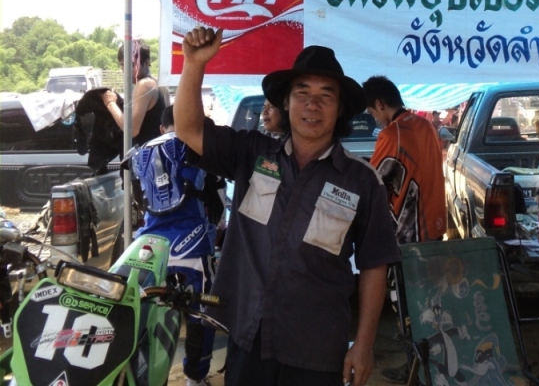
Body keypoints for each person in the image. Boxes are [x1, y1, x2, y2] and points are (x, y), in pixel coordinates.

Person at [174, 28, 399, 386]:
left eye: (326, 95)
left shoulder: (362, 181)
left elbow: (374, 264)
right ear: (286, 103)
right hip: (248, 337)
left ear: (340, 108)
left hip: (317, 349)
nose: (312, 105)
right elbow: (188, 128)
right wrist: (193, 64)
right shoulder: (252, 153)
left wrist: (364, 345)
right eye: (302, 93)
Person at [362, 76, 448, 384]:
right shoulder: (425, 126)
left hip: (408, 235)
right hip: (433, 227)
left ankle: (415, 367)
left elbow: (375, 181)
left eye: (372, 112)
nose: (374, 118)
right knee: (431, 302)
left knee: (406, 305)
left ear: (380, 104)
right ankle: (435, 364)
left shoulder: (393, 133)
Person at [130, 106, 218, 386]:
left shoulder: (140, 153)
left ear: (162, 127)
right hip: (193, 242)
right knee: (201, 313)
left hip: (149, 245)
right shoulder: (200, 146)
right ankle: (195, 377)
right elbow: (216, 200)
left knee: (146, 312)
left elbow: (137, 199)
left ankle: (149, 377)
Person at [102, 40, 168, 145]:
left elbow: (131, 130)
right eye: (122, 65)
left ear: (146, 62)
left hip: (147, 152)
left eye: (132, 64)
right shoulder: (159, 83)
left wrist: (110, 103)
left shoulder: (144, 84)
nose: (125, 70)